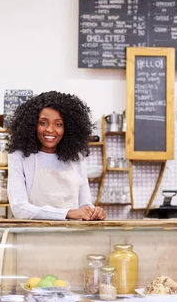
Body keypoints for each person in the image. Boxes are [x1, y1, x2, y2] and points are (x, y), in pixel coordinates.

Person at [6, 91, 106, 221]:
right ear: (32, 125)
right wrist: (67, 213)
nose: (50, 130)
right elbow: (20, 209)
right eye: (43, 123)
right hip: (33, 238)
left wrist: (92, 212)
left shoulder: (76, 157)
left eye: (58, 124)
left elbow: (84, 204)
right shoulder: (19, 156)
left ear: (68, 128)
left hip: (71, 238)